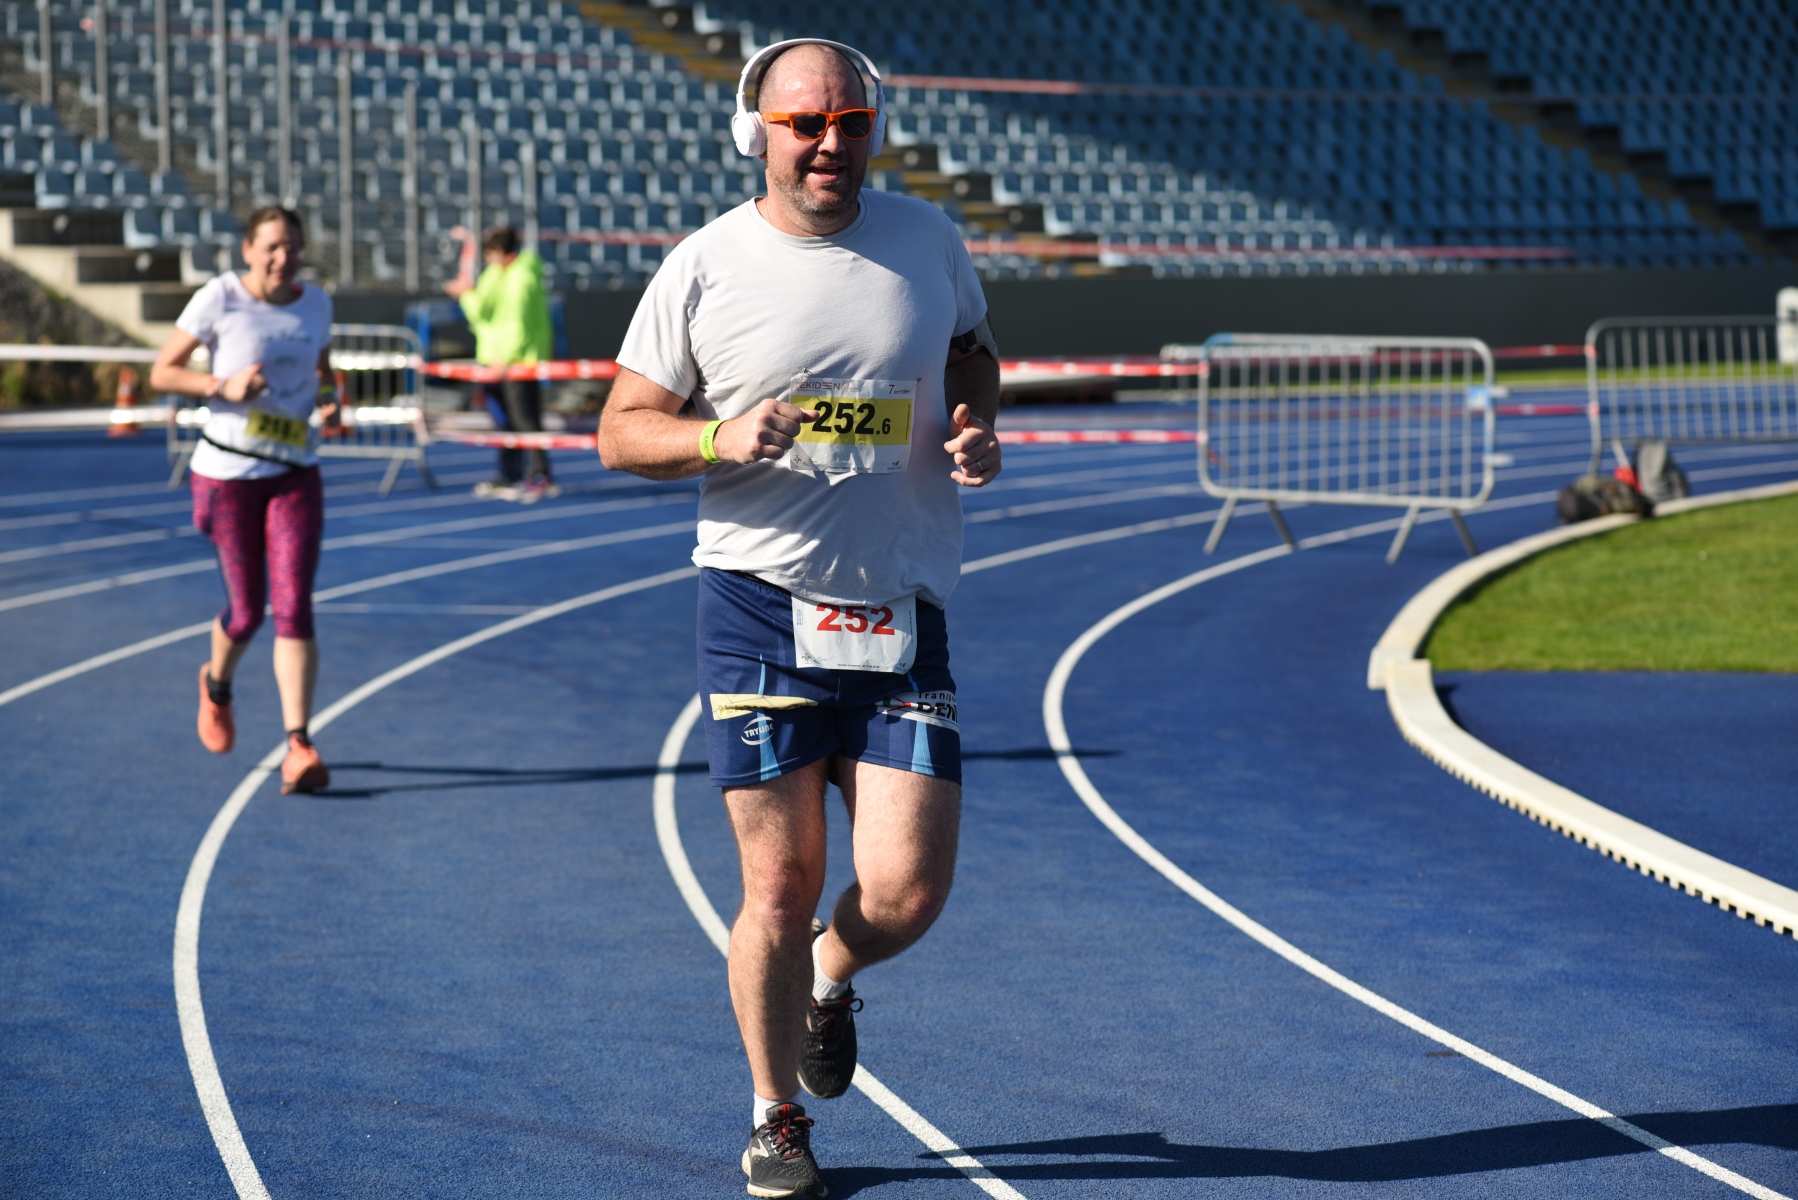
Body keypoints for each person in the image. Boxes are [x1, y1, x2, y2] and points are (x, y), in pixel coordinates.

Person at [598, 39, 1001, 1200]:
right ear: (756, 132)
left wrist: (973, 422)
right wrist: (716, 436)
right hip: (760, 609)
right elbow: (620, 429)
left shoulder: (928, 241)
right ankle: (776, 1117)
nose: (829, 143)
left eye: (849, 122)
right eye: (804, 123)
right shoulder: (705, 266)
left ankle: (832, 972)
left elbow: (972, 356)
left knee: (905, 894)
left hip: (900, 608)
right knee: (776, 890)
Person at [151, 207, 338, 794]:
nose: (284, 258)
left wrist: (332, 401)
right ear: (248, 250)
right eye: (272, 247)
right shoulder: (220, 298)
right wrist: (220, 386)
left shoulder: (317, 304)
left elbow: (324, 371)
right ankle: (217, 686)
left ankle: (299, 745)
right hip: (228, 475)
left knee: (294, 605)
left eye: (293, 247)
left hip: (294, 471)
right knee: (247, 611)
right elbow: (163, 372)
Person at [444, 225, 558, 503]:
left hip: (518, 362)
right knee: (505, 422)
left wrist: (506, 361)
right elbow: (481, 312)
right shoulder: (496, 273)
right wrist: (466, 294)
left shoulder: (522, 277)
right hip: (494, 359)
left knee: (525, 420)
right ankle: (510, 474)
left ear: (499, 251)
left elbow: (519, 324)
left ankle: (540, 476)